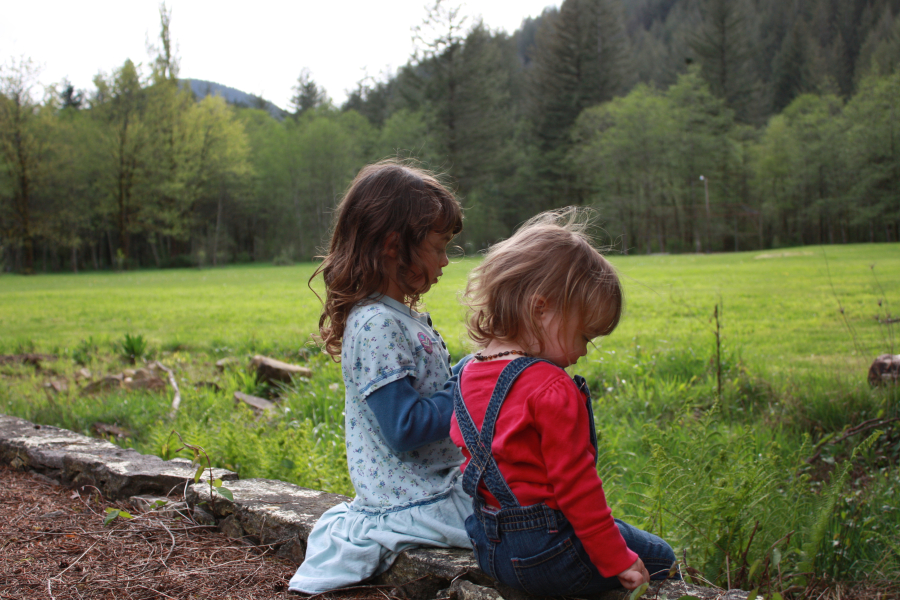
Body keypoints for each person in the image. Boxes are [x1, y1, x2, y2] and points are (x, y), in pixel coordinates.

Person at [449, 209, 678, 597]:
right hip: (550, 556)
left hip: (492, 551)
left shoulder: (467, 371)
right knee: (662, 557)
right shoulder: (550, 386)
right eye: (584, 335)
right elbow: (578, 488)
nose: (583, 352)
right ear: (542, 309)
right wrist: (617, 559)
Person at [288, 161, 472, 594]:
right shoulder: (375, 325)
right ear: (393, 245)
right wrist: (467, 389)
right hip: (418, 501)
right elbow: (404, 428)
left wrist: (467, 375)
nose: (446, 260)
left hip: (432, 486)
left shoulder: (398, 318)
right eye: (438, 246)